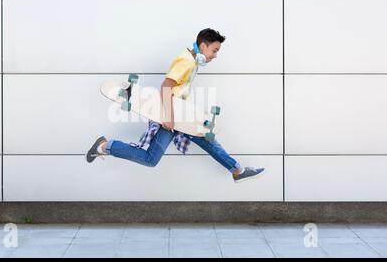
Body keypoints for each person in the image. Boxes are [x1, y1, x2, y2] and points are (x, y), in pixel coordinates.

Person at [86, 28, 265, 183]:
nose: (215, 56)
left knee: (207, 140)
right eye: (214, 50)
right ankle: (105, 146)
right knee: (150, 159)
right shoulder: (186, 60)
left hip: (180, 114)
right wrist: (168, 118)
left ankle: (237, 171)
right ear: (203, 45)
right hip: (171, 115)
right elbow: (166, 86)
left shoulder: (192, 60)